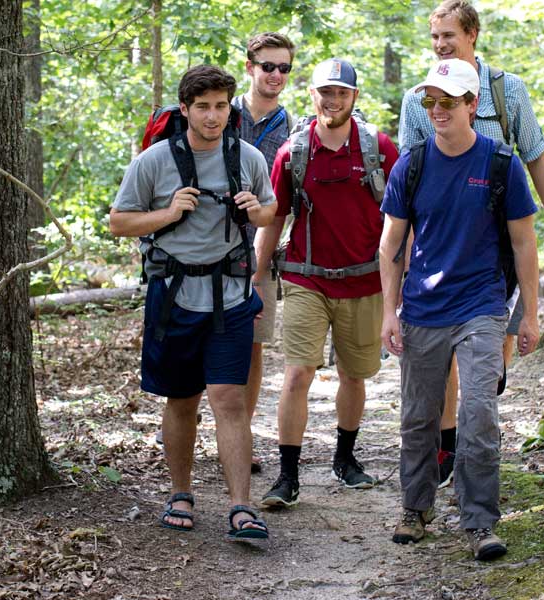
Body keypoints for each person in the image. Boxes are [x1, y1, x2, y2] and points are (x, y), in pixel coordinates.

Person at [396, 0, 544, 488]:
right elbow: (409, 177)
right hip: (445, 245)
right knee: (450, 348)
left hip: (503, 246)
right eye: (434, 38)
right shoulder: (418, 98)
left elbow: (535, 155)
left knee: (494, 352)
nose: (440, 45)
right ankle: (451, 445)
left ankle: (477, 428)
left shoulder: (507, 90)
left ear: (472, 34)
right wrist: (406, 253)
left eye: (448, 35)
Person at [378, 59, 540, 558]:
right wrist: (389, 312)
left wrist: (529, 314)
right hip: (424, 307)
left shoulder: (500, 163)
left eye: (448, 101)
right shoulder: (413, 163)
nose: (437, 110)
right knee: (419, 416)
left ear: (473, 105)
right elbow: (391, 246)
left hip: (482, 306)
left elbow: (523, 243)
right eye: (430, 101)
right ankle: (415, 508)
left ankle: (480, 521)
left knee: (479, 413)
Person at [110, 65, 278, 541]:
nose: (212, 116)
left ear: (231, 108)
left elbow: (270, 211)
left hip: (231, 295)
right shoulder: (154, 161)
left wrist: (254, 209)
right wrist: (169, 211)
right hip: (175, 299)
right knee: (182, 401)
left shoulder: (247, 157)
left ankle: (242, 507)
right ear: (184, 110)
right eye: (202, 107)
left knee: (229, 400)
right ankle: (180, 493)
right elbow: (119, 222)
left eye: (221, 106)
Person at [253, 59, 399, 508]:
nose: (333, 100)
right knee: (298, 372)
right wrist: (257, 277)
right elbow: (274, 219)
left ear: (354, 97)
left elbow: (402, 219)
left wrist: (402, 280)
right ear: (311, 95)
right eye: (325, 92)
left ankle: (345, 459)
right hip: (305, 278)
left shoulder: (379, 148)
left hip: (365, 280)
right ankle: (288, 475)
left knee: (354, 376)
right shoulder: (292, 153)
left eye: (342, 92)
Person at [233, 32, 296, 474]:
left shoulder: (292, 127)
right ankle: (192, 424)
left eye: (284, 68)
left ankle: (242, 436)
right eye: (268, 66)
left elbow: (284, 200)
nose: (276, 75)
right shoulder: (220, 109)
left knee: (252, 345)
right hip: (204, 245)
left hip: (262, 251)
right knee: (201, 339)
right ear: (250, 66)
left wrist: (261, 259)